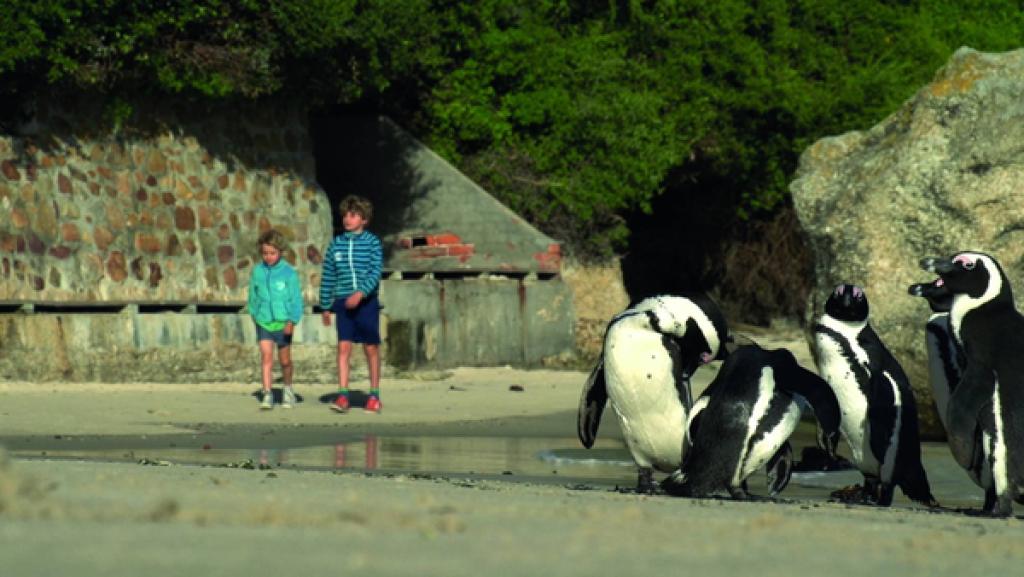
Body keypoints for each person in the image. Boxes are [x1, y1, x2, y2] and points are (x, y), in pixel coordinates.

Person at [320, 195, 384, 413]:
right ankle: (343, 395)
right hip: (342, 302)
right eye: (345, 215)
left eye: (353, 215)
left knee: (371, 348)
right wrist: (325, 305)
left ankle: (374, 395)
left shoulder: (373, 242)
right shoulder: (335, 245)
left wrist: (361, 293)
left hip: (366, 303)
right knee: (343, 347)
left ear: (364, 219)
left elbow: (375, 271)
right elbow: (328, 275)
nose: (348, 219)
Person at [247, 229, 304, 410]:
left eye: (272, 253)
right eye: (265, 253)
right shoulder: (257, 271)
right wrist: (254, 314)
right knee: (266, 357)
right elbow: (252, 295)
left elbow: (296, 300)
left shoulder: (289, 273)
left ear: (280, 251)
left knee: (285, 361)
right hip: (264, 321)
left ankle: (288, 390)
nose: (268, 257)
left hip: (283, 322)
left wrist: (291, 321)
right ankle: (267, 393)